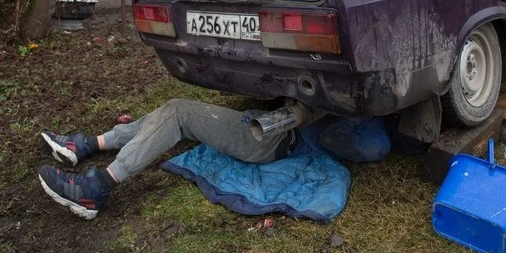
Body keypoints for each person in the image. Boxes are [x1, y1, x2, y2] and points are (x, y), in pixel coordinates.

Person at [38, 98, 392, 220]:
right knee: (171, 109)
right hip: (265, 125)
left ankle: (96, 187)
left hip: (273, 143)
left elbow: (344, 141)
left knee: (178, 112)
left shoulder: (376, 133)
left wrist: (339, 112)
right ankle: (87, 144)